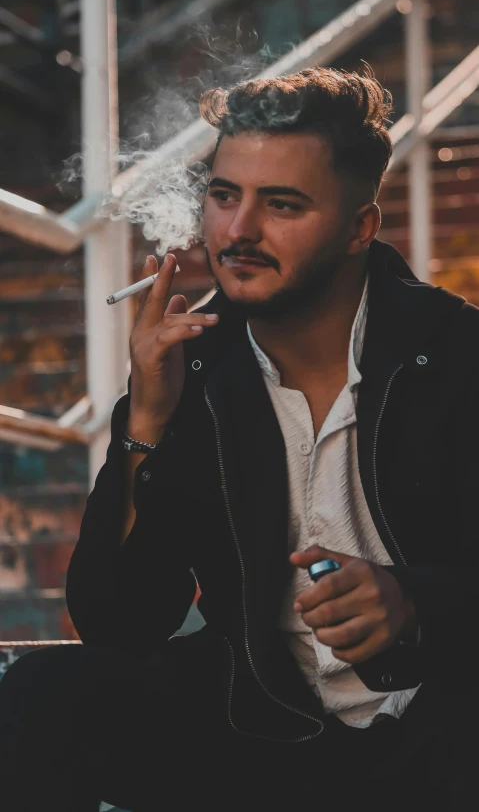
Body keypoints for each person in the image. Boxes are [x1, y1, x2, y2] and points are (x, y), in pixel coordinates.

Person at [0, 67, 478, 812]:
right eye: (224, 195)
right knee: (43, 692)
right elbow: (119, 622)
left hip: (439, 731)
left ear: (360, 226)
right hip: (260, 727)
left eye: (281, 204)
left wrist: (414, 603)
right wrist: (146, 423)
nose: (237, 230)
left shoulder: (455, 354)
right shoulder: (194, 368)